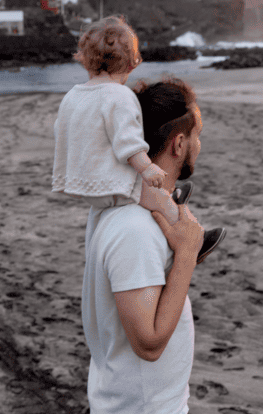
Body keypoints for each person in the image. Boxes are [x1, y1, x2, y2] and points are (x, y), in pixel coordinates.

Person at [52, 15, 223, 262]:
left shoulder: (72, 96)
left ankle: (173, 200)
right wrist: (147, 167)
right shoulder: (119, 96)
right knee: (158, 199)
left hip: (82, 182)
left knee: (149, 195)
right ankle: (195, 244)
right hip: (109, 184)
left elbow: (63, 132)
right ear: (133, 63)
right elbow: (127, 140)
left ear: (85, 60)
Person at [82, 77, 208, 413]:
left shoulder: (124, 209)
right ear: (178, 144)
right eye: (197, 136)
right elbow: (148, 344)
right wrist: (185, 256)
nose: (199, 144)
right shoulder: (133, 228)